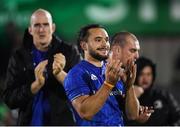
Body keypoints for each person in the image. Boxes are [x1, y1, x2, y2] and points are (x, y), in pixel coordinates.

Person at [1, 9, 81, 125]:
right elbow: (9, 99)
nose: (41, 30)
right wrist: (35, 85)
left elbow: (83, 91)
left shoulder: (69, 52)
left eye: (45, 25)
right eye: (37, 25)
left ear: (53, 28)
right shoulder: (19, 57)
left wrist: (60, 74)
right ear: (30, 30)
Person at [64, 25, 141, 126]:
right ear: (84, 45)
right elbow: (85, 112)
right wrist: (108, 85)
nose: (105, 44)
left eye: (106, 40)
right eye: (98, 40)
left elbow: (133, 115)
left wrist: (129, 86)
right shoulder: (76, 74)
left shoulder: (115, 71)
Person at [125, 57, 180, 126]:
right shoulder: (127, 96)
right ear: (135, 75)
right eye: (141, 74)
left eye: (148, 74)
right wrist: (133, 96)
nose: (145, 78)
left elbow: (178, 118)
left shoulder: (163, 95)